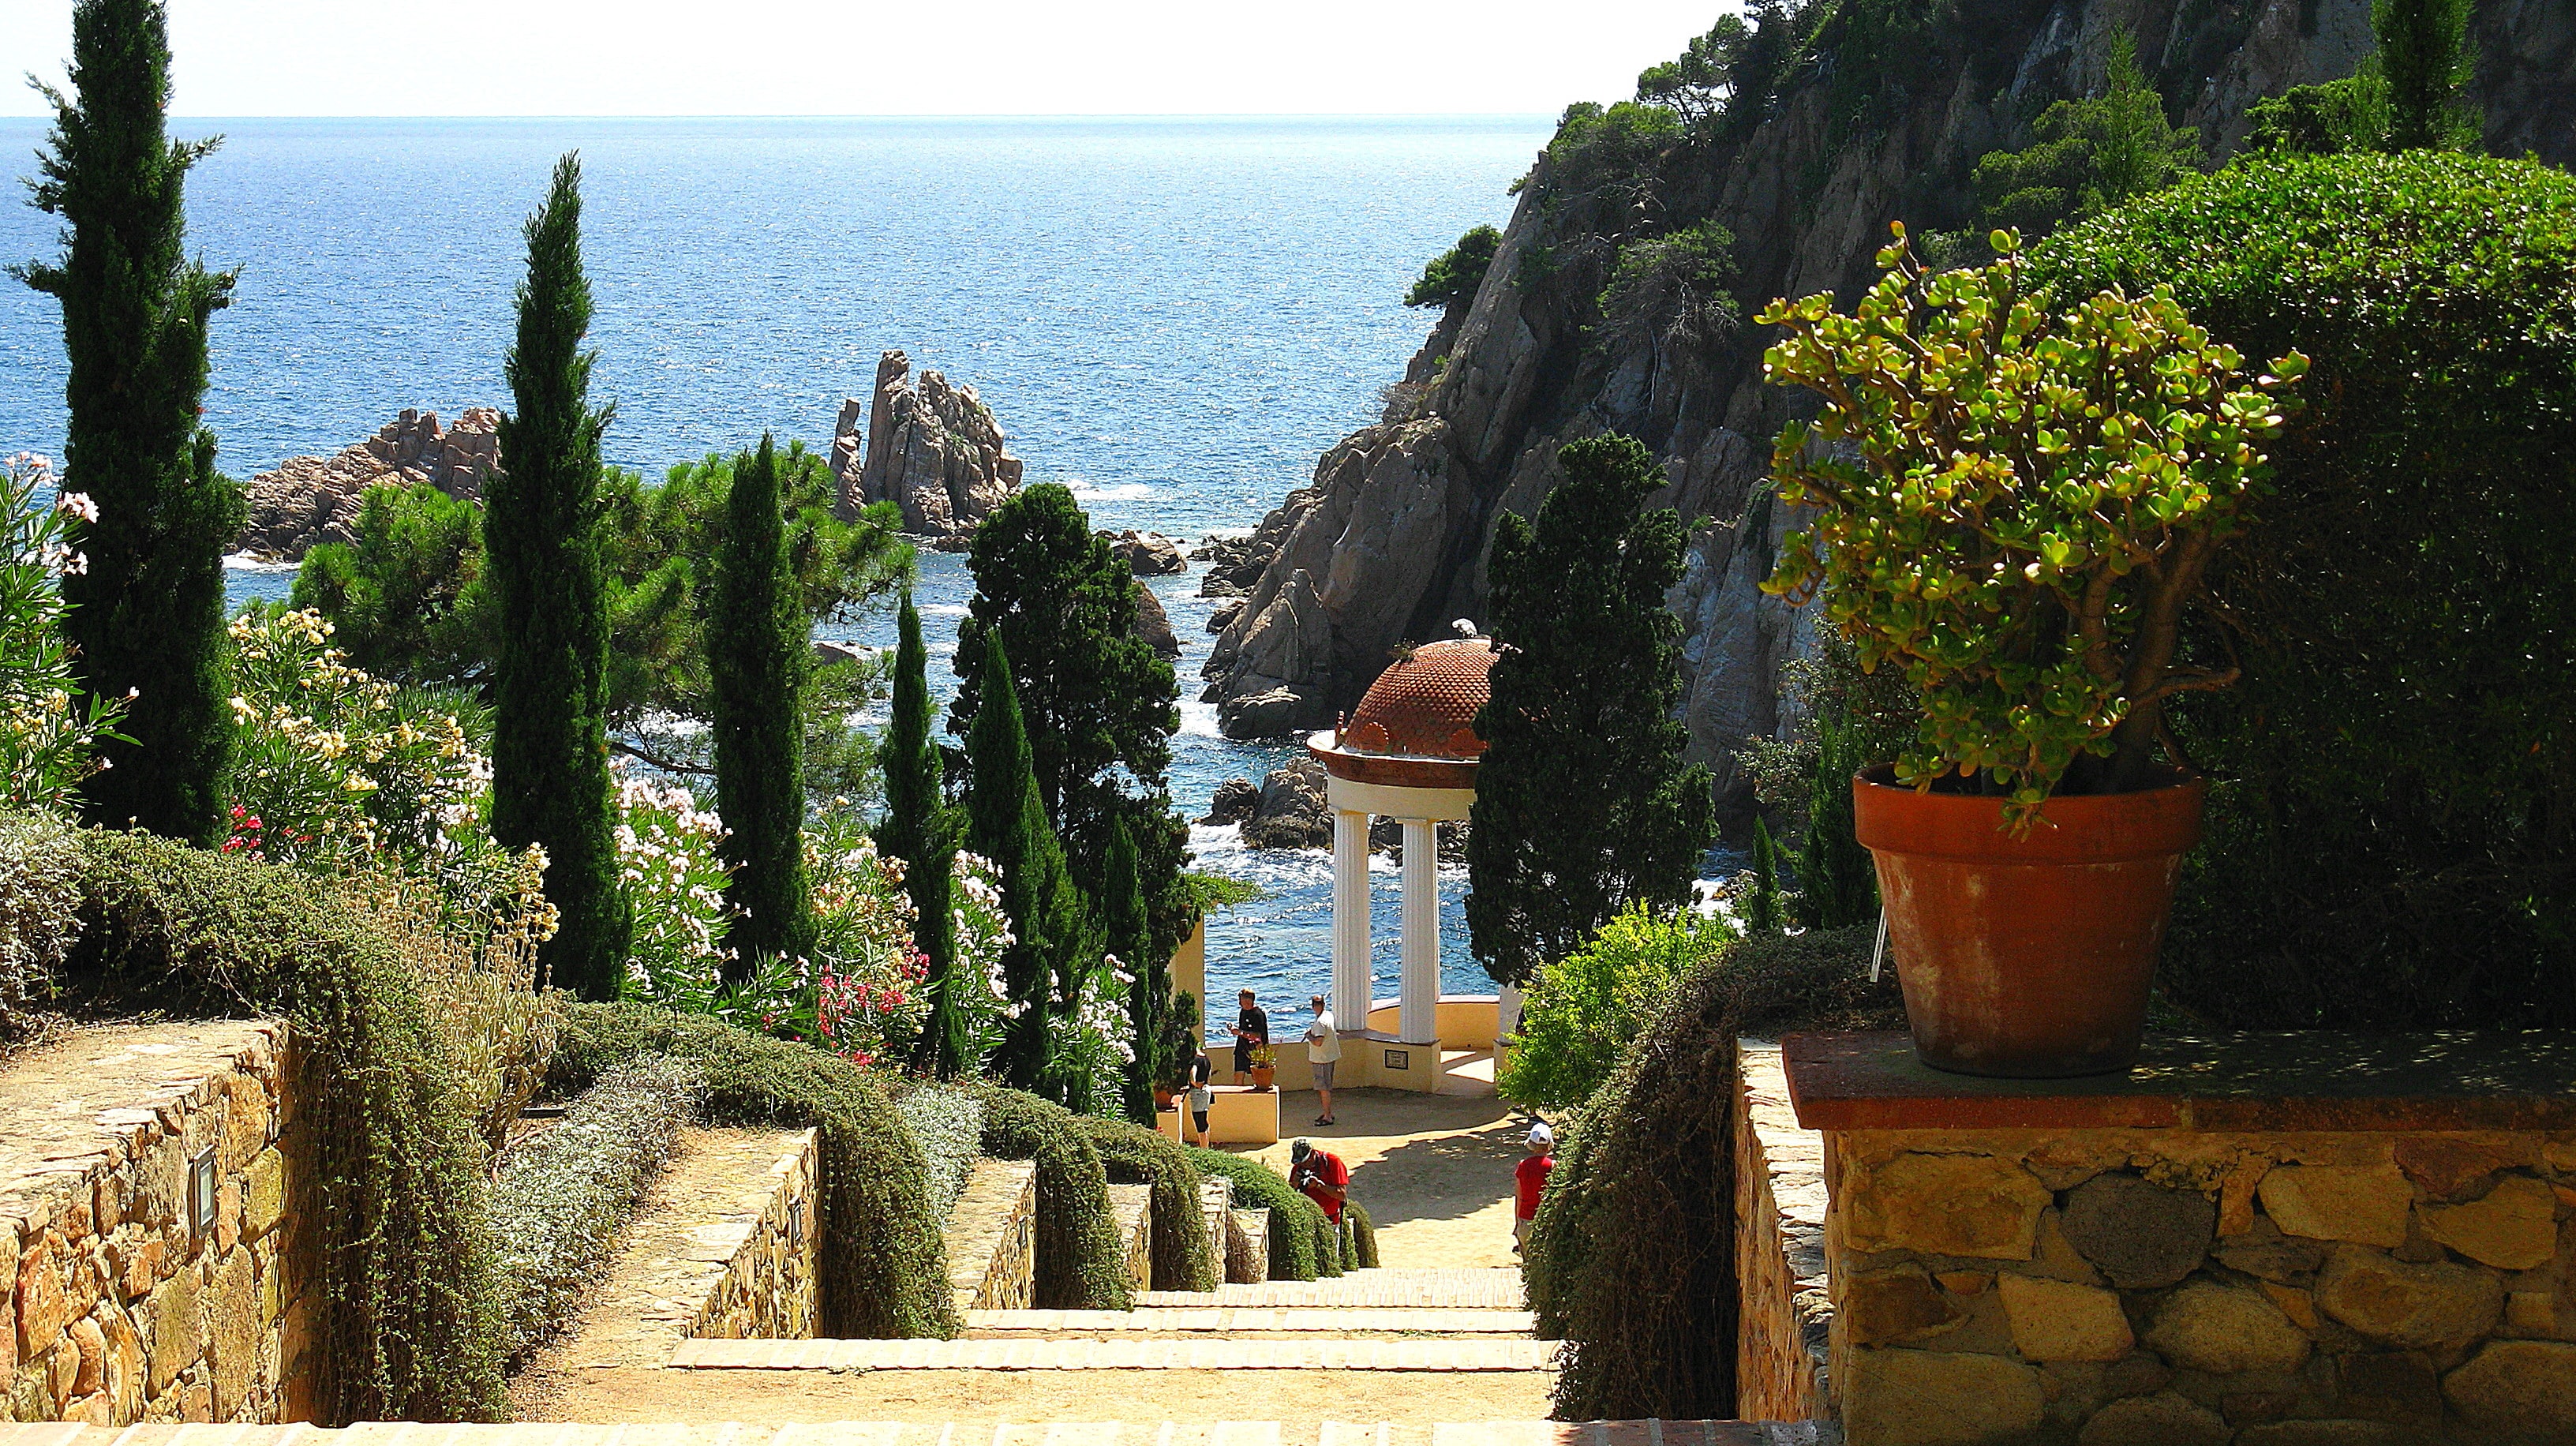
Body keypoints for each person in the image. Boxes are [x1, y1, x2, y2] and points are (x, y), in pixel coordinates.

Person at [1513, 1122, 1555, 1254]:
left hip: (1526, 1219)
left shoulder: (1523, 1166)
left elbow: (1519, 1198)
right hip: (1545, 1220)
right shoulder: (1552, 1166)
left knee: (1528, 1263)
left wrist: (1518, 1223)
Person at [1288, 1137, 1349, 1223]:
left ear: (1313, 1153)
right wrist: (1293, 1185)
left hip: (1331, 1220)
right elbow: (1289, 1198)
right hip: (1308, 1221)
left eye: (1305, 1161)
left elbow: (1342, 1195)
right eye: (1301, 1162)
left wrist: (1319, 1185)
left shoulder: (1332, 1162)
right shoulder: (1298, 1168)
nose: (1303, 1165)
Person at [1304, 992, 1342, 1125]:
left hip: (1322, 1059)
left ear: (1313, 1007)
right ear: (1324, 1005)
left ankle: (1327, 1116)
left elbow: (1318, 1042)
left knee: (1324, 1088)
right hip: (1330, 1056)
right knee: (1327, 1086)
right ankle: (1328, 1112)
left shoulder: (1320, 1023)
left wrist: (1309, 1036)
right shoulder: (1329, 1015)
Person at [1225, 987, 1268, 1085]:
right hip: (1242, 1048)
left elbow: (1258, 1036)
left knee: (1258, 1078)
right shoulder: (1243, 1012)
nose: (1240, 1003)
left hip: (1256, 1050)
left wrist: (1240, 1032)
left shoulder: (1258, 1014)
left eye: (1242, 1000)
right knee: (1238, 1076)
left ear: (1249, 1000)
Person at [1186, 1047, 1215, 1148]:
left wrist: (1194, 1083)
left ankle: (1203, 1149)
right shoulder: (1206, 1060)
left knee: (1199, 1122)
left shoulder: (1196, 1061)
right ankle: (1206, 1146)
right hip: (1207, 1090)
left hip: (1198, 1093)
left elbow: (1193, 1073)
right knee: (1204, 1120)